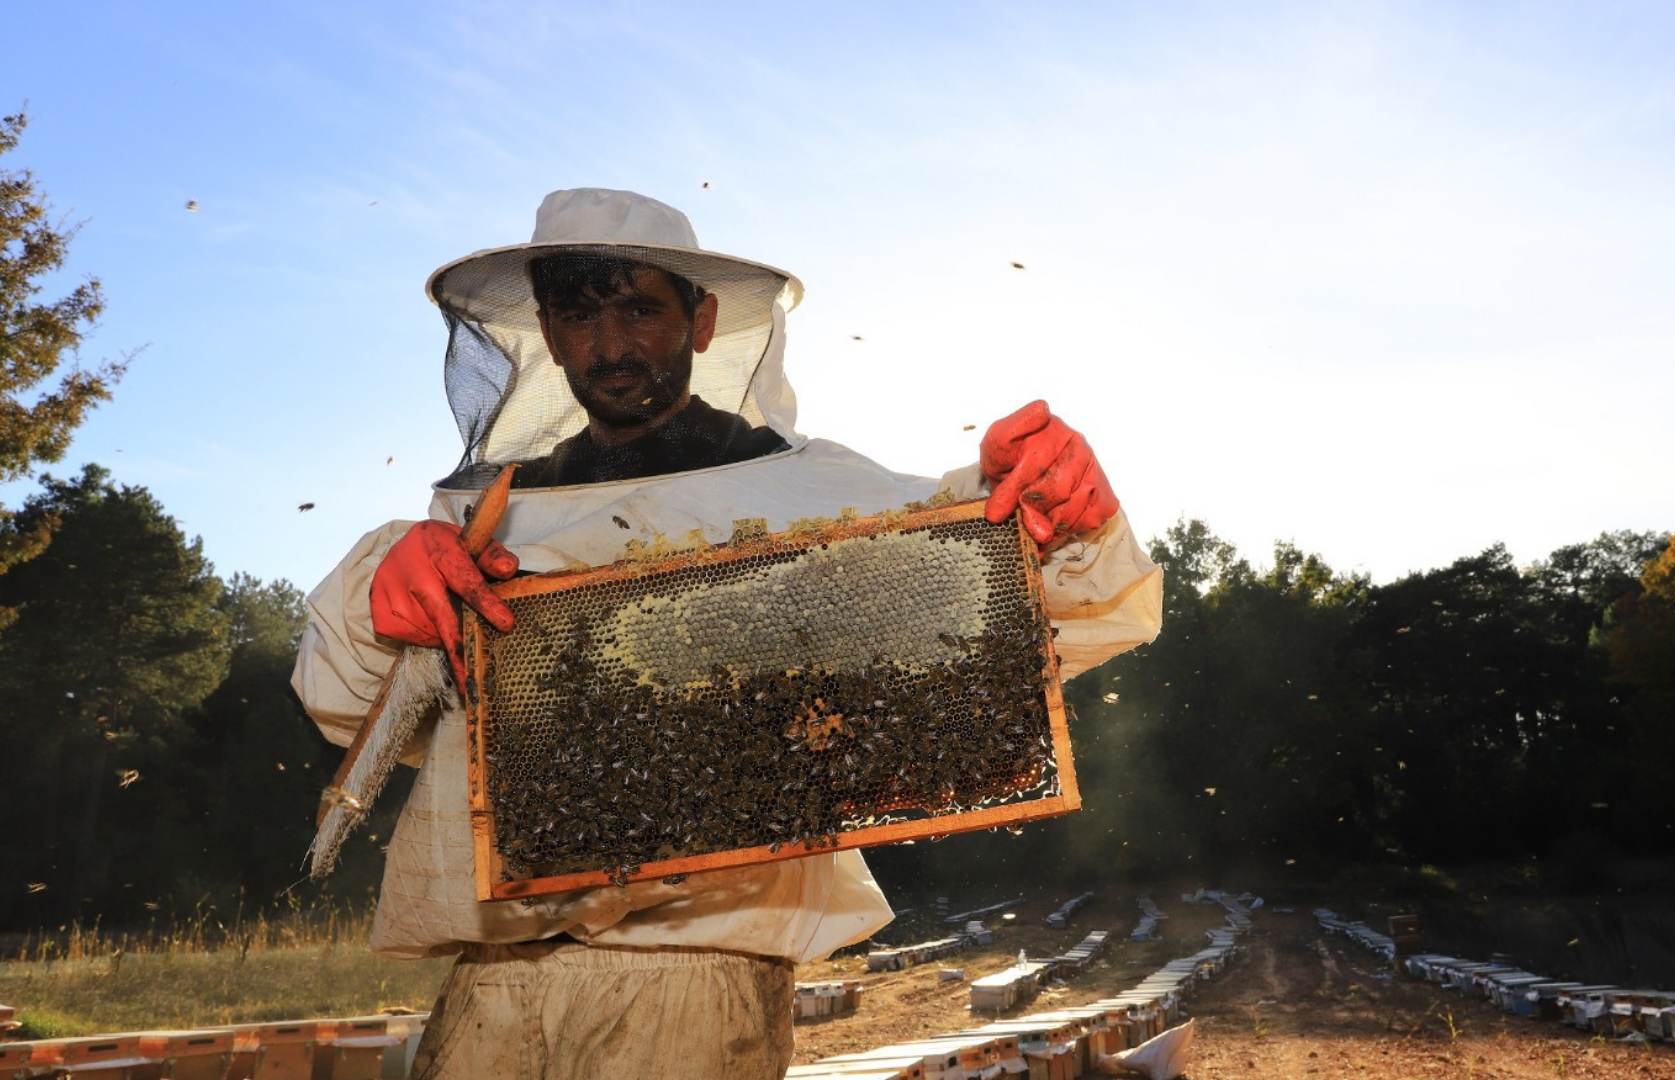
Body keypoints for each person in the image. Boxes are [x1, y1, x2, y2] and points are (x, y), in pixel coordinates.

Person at [293, 188, 1163, 1080]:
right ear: (548, 335)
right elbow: (345, 705)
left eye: (640, 307)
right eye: (580, 313)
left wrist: (1063, 518)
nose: (611, 343)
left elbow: (1037, 611)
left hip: (698, 988)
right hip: (491, 990)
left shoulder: (808, 495)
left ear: (700, 321)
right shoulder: (487, 518)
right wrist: (380, 599)